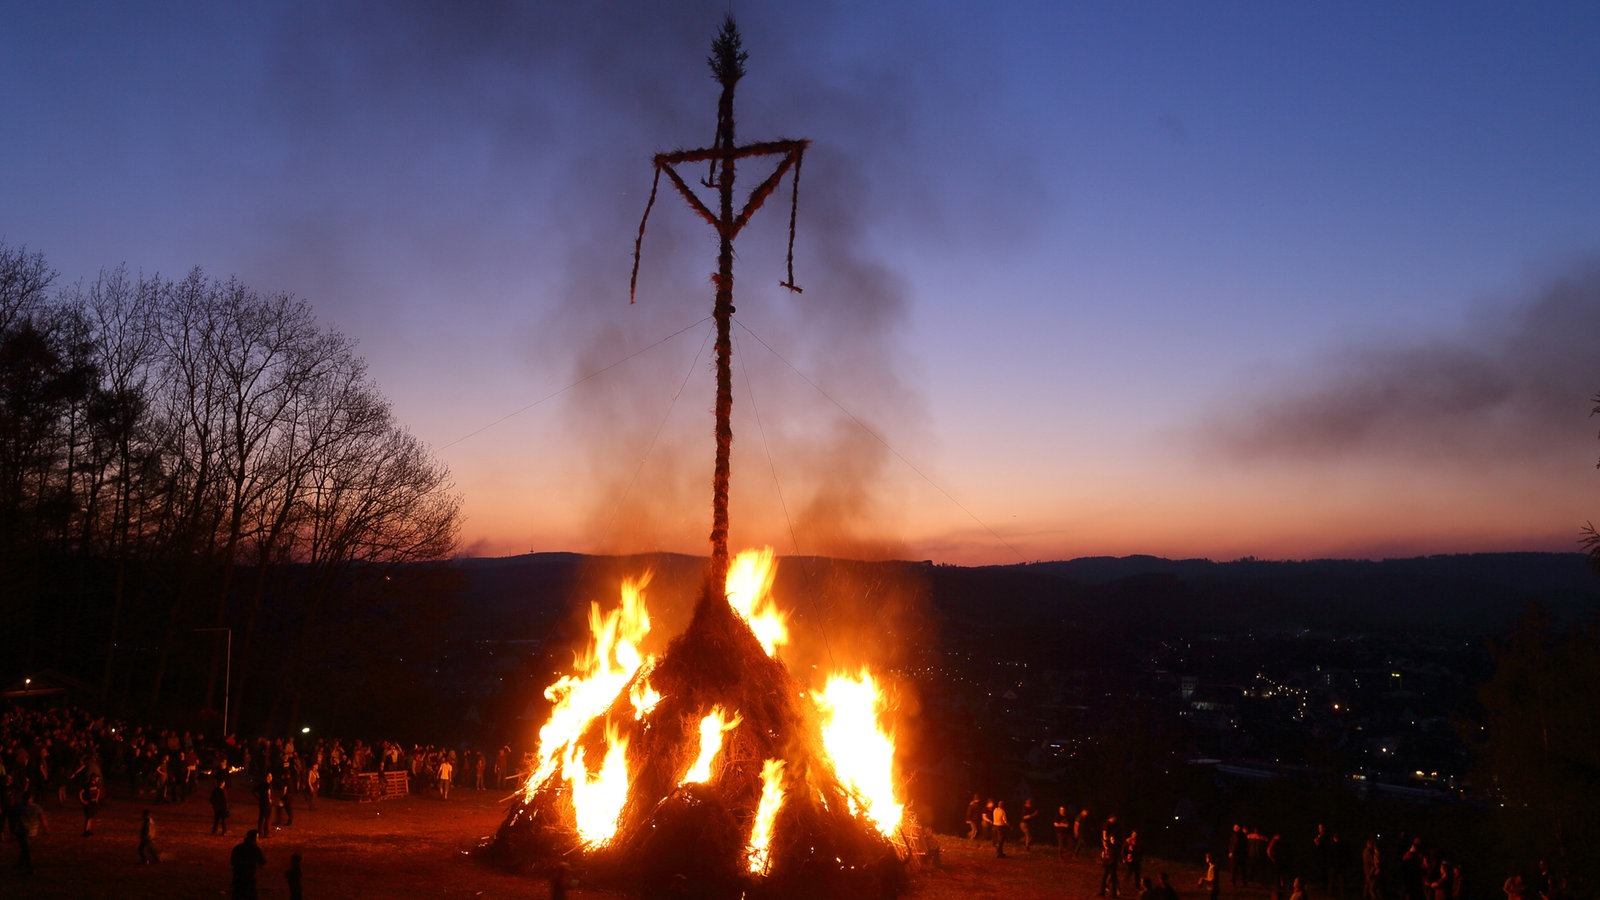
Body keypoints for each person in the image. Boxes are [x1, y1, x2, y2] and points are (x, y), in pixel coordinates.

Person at [231, 829, 267, 899]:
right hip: (249, 878)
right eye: (257, 838)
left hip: (237, 877)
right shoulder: (255, 849)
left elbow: (232, 861)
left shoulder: (238, 848)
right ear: (254, 838)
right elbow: (262, 862)